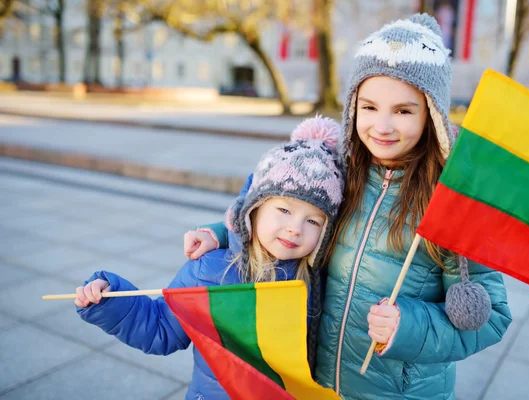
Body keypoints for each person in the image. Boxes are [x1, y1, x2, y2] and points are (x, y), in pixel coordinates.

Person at [185, 14, 512, 399]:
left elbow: (490, 318)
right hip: (321, 382)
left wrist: (408, 327)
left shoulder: (452, 200)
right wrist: (220, 233)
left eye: (404, 111)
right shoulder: (338, 172)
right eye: (369, 107)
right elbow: (273, 205)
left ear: (432, 115)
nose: (382, 126)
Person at [74, 115, 345, 400]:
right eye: (284, 210)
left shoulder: (319, 276)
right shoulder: (211, 269)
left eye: (314, 221)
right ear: (254, 208)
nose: (295, 228)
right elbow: (162, 329)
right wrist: (110, 301)